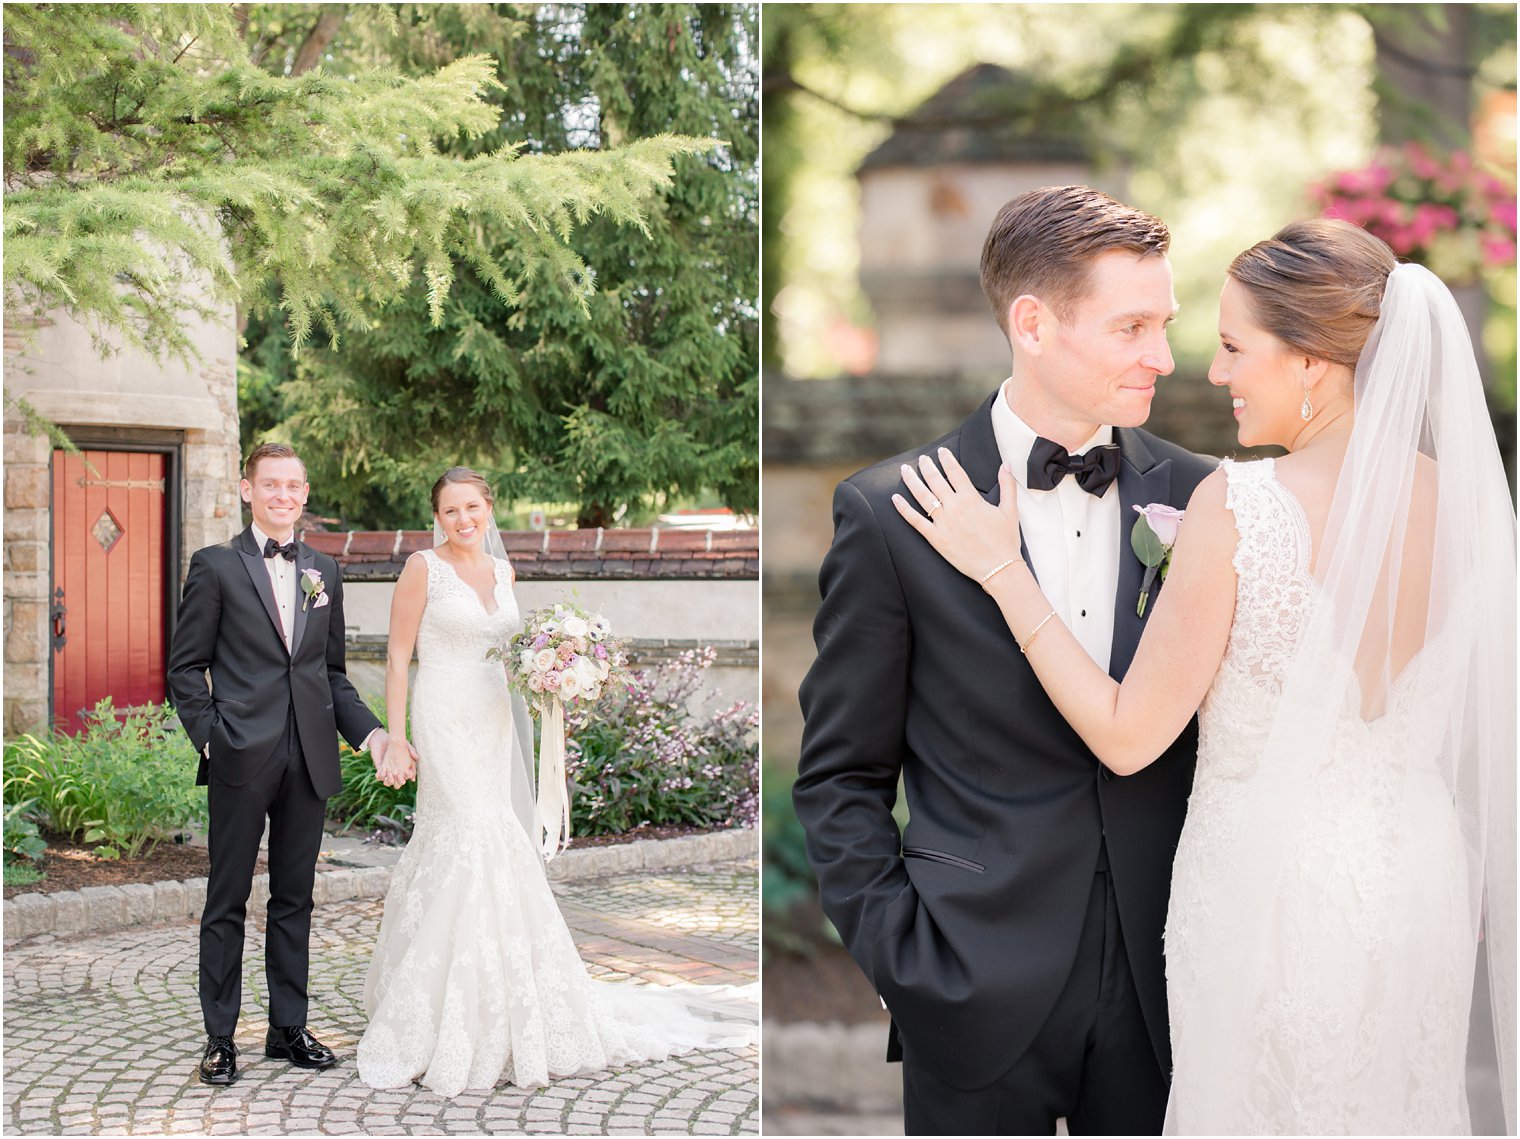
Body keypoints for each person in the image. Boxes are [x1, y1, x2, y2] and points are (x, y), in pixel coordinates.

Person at [896, 218, 1515, 1135]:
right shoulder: (1473, 511)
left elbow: (1127, 732)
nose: (1213, 372)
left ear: (1310, 362)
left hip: (1271, 902)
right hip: (1419, 887)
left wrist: (1002, 570)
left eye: (1233, 347)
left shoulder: (1241, 505)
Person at [793, 186, 1216, 1135]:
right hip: (969, 990)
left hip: (1169, 993)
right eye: (1132, 326)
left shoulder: (1205, 499)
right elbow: (840, 777)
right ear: (1033, 322)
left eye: (1166, 324)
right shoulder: (889, 512)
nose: (1164, 355)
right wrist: (910, 959)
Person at [355, 466, 755, 1097]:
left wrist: (559, 672)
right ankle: (444, 1009)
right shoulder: (421, 570)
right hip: (444, 715)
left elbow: (512, 658)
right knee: (467, 836)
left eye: (473, 508)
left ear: (490, 509)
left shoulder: (504, 572)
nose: (463, 520)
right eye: (451, 510)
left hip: (492, 718)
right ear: (438, 516)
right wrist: (398, 736)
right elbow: (398, 657)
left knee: (491, 836)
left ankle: (507, 996)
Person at [168, 443, 401, 1086]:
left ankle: (286, 1027)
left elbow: (331, 676)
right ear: (248, 490)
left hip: (310, 760)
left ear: (304, 492)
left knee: (294, 898)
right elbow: (185, 669)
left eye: (293, 485)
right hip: (241, 755)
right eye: (270, 484)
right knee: (228, 898)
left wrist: (373, 735)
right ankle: (220, 1038)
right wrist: (212, 738)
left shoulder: (324, 568)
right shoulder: (215, 566)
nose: (283, 495)